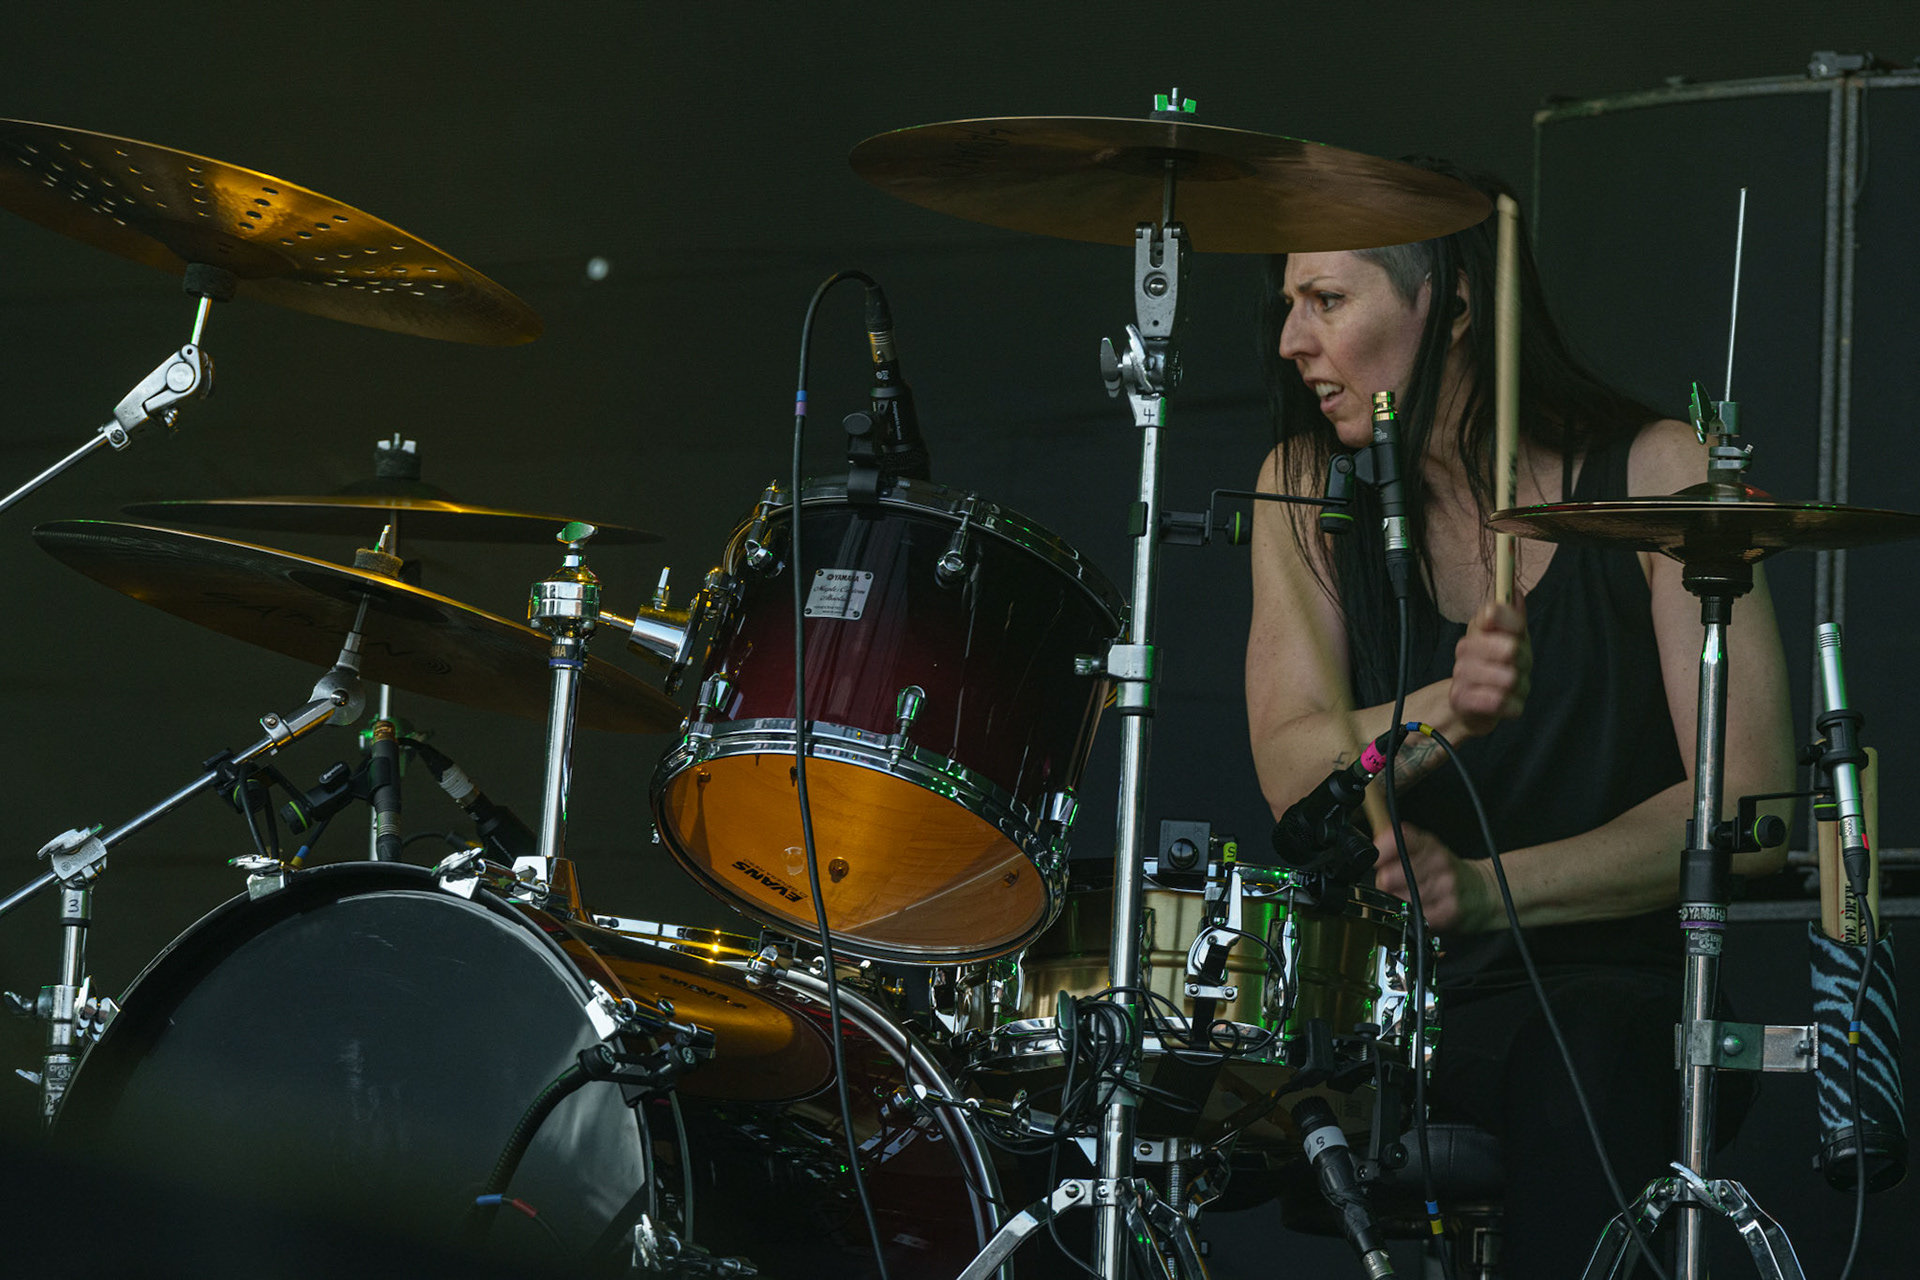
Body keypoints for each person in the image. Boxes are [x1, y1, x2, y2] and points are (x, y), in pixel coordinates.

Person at [1244, 162, 1796, 1273]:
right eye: (1289, 301)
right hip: (1404, 1008)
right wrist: (1449, 705)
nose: (1292, 341)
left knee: (1580, 1058)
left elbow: (1750, 805)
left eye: (1329, 301)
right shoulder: (1302, 488)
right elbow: (1295, 769)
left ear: (1447, 303)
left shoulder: (1660, 473)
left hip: (1632, 994)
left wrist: (1486, 890)